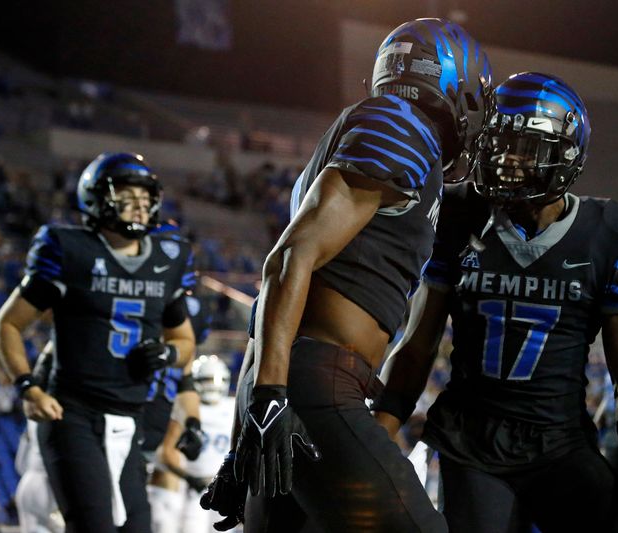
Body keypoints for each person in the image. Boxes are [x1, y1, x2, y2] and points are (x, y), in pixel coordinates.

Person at [202, 17, 492, 533]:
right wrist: (270, 398)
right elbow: (290, 258)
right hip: (312, 384)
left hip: (289, 378)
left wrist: (254, 409)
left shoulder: (380, 131)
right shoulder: (402, 126)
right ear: (455, 83)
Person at [375, 72, 618, 532]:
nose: (505, 159)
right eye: (498, 143)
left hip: (560, 443)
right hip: (472, 442)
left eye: (524, 147)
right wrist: (378, 438)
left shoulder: (613, 235)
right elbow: (416, 348)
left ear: (565, 153)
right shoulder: (459, 218)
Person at [0, 152, 196, 533]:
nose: (138, 206)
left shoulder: (169, 259)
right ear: (97, 199)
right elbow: (6, 325)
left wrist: (168, 353)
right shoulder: (70, 250)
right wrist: (27, 386)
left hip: (132, 417)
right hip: (74, 413)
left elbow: (184, 341)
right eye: (126, 196)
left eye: (145, 197)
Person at [150, 355, 235, 532]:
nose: (212, 384)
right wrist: (190, 478)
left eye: (217, 379)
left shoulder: (233, 406)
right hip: (192, 486)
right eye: (206, 380)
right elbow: (165, 452)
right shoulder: (189, 410)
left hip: (223, 483)